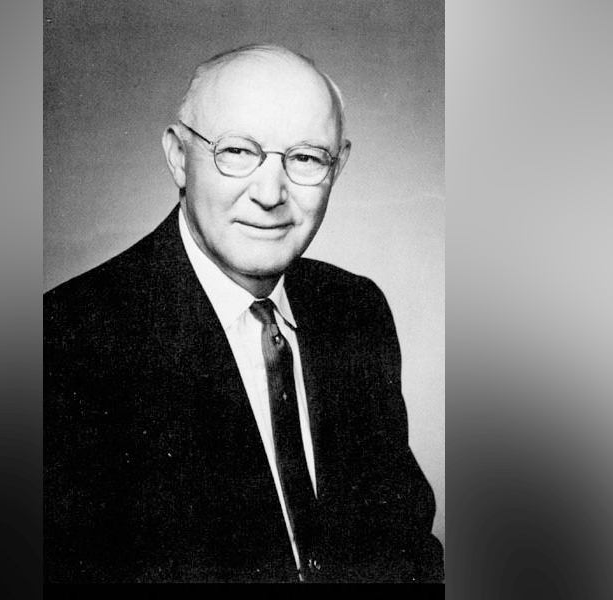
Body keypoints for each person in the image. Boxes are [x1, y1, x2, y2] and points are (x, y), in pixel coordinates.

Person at [44, 44, 444, 583]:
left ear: (338, 165)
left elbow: (405, 548)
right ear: (179, 157)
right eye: (238, 152)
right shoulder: (69, 339)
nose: (270, 193)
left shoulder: (355, 310)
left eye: (305, 157)